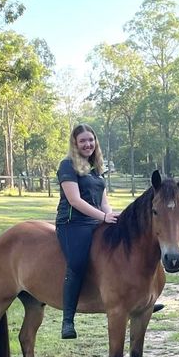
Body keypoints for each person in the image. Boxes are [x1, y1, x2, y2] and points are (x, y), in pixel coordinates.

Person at [55, 124, 117, 339]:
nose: (87, 144)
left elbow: (104, 202)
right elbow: (74, 200)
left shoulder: (97, 168)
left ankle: (135, 300)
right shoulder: (67, 166)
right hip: (72, 223)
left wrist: (111, 216)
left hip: (96, 221)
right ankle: (67, 321)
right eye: (82, 140)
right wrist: (102, 217)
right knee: (78, 263)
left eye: (90, 140)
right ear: (75, 143)